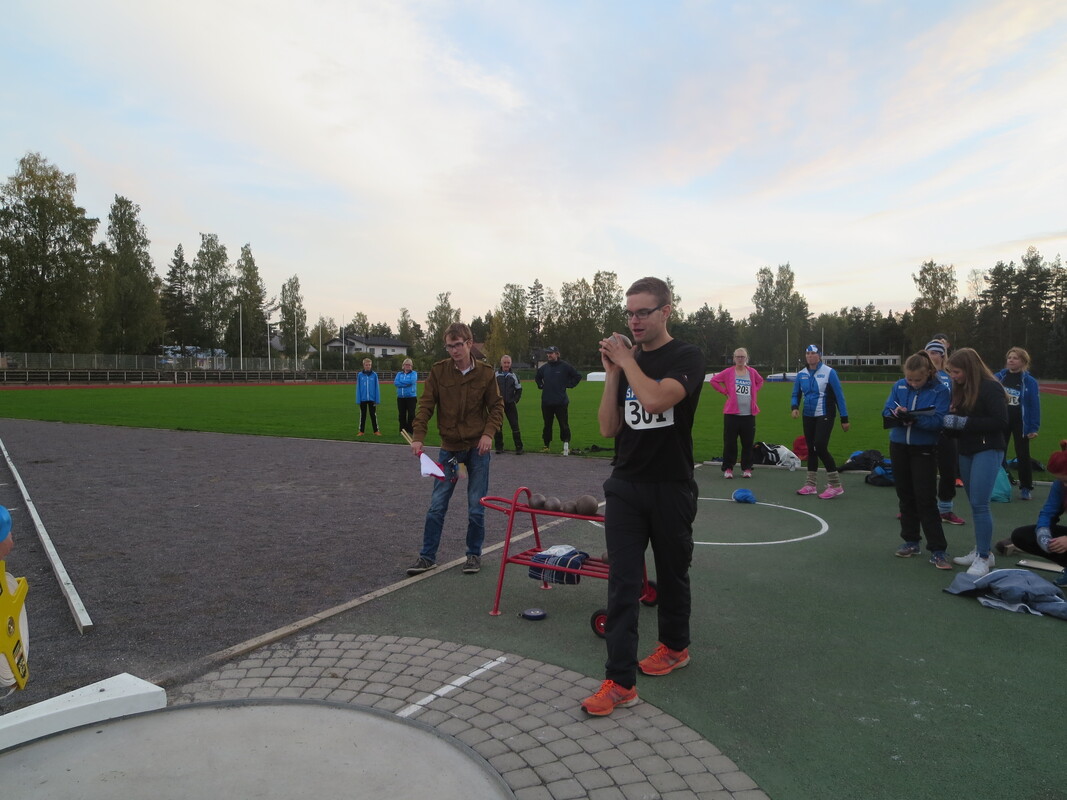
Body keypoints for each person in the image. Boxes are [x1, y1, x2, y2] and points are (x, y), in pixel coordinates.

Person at [580, 276, 705, 716]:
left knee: (673, 574)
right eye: (629, 313)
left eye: (643, 312)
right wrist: (614, 374)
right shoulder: (626, 364)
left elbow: (654, 400)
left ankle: (674, 646)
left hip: (671, 485)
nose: (634, 320)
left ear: (665, 311)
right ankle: (619, 682)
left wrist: (627, 362)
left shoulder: (686, 356)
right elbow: (608, 428)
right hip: (626, 486)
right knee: (623, 583)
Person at [406, 323, 504, 577]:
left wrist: (488, 434)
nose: (454, 350)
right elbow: (425, 406)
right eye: (449, 346)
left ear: (469, 343)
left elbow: (496, 407)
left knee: (476, 506)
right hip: (450, 451)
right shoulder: (439, 372)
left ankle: (473, 555)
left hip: (477, 451)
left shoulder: (485, 373)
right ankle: (427, 557)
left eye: (458, 345)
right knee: (437, 505)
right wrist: (418, 437)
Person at [943, 348, 1009, 577]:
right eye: (951, 372)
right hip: (966, 449)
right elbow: (960, 424)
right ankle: (983, 550)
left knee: (980, 504)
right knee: (975, 504)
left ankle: (983, 557)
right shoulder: (960, 389)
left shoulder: (991, 387)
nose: (953, 376)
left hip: (988, 449)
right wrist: (948, 423)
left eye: (956, 372)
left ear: (969, 369)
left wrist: (962, 422)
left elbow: (1000, 421)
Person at [884, 352, 953, 569]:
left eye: (918, 380)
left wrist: (915, 419)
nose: (913, 383)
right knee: (905, 495)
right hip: (898, 446)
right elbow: (886, 409)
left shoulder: (940, 390)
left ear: (928, 373)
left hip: (924, 448)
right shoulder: (899, 386)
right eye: (909, 379)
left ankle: (938, 549)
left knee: (925, 498)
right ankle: (911, 541)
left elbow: (940, 421)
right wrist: (896, 413)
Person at [791, 345, 850, 498]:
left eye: (813, 353)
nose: (810, 356)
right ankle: (810, 485)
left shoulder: (829, 372)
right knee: (811, 448)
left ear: (819, 355)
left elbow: (839, 396)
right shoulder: (801, 374)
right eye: (807, 353)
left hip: (825, 413)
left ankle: (836, 485)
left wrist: (844, 418)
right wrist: (795, 407)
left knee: (820, 446)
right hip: (808, 415)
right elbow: (795, 393)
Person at [1006, 440, 1067, 587]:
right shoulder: (1059, 485)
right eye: (1060, 480)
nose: (1063, 484)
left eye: (1065, 480)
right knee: (1021, 535)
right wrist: (1043, 533)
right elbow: (1048, 512)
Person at [924, 338, 965, 526]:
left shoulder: (950, 376)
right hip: (926, 429)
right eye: (927, 352)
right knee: (924, 470)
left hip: (947, 429)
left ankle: (945, 510)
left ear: (942, 355)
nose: (929, 356)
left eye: (933, 353)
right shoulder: (921, 375)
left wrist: (957, 407)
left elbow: (961, 398)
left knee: (948, 470)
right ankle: (919, 507)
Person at [709, 347, 764, 479]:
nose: (740, 359)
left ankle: (747, 468)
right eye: (738, 357)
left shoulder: (752, 372)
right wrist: (724, 391)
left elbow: (760, 381)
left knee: (748, 443)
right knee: (730, 443)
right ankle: (728, 468)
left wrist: (754, 390)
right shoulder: (728, 372)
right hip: (731, 415)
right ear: (734, 358)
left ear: (746, 358)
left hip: (748, 415)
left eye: (742, 357)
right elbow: (714, 381)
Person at [994, 347, 1041, 501]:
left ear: (1023, 362)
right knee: (998, 452)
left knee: (1023, 454)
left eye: (1015, 358)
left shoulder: (1029, 381)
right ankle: (1000, 483)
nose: (1011, 360)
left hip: (1021, 423)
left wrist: (1033, 427)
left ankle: (1026, 487)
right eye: (1009, 358)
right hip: (1002, 420)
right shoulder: (999, 377)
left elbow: (1034, 405)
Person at [535, 346, 581, 455]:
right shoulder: (544, 368)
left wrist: (569, 385)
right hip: (546, 402)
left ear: (557, 354)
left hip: (561, 402)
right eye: (548, 353)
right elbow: (537, 377)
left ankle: (566, 446)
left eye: (551, 353)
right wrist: (541, 385)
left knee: (563, 425)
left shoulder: (565, 366)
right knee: (547, 425)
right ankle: (546, 446)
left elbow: (577, 376)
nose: (549, 355)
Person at [493, 355, 524, 455]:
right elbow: (491, 389)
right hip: (499, 405)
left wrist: (515, 400)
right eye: (504, 363)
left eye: (508, 363)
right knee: (498, 426)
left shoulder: (514, 376)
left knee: (515, 426)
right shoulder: (495, 375)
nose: (506, 365)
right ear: (501, 363)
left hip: (510, 404)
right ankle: (499, 447)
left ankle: (519, 448)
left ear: (511, 364)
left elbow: (519, 390)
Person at [356, 358, 381, 436]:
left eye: (369, 365)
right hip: (363, 399)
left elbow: (377, 387)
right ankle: (361, 431)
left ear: (371, 365)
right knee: (363, 415)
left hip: (372, 399)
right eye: (366, 365)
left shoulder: (374, 375)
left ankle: (376, 430)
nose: (368, 366)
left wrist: (377, 399)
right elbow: (358, 387)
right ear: (364, 365)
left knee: (373, 414)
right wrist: (358, 399)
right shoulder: (360, 375)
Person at [394, 358, 418, 436]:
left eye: (409, 365)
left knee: (411, 414)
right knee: (402, 415)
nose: (408, 366)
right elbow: (396, 383)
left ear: (411, 366)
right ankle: (402, 430)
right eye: (406, 364)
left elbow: (411, 382)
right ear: (403, 366)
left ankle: (411, 430)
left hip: (411, 397)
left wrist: (401, 383)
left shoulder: (414, 373)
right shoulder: (399, 374)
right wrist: (405, 384)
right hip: (401, 398)